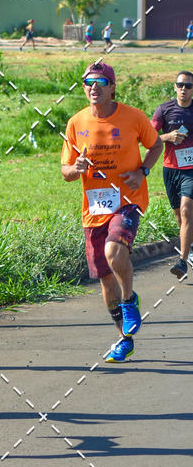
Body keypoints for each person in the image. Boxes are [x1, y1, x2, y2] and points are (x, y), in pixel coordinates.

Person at [61, 63, 162, 363]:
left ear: (113, 86)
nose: (94, 87)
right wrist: (74, 169)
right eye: (87, 82)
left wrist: (142, 171)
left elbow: (155, 146)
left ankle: (130, 300)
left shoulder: (133, 117)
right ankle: (124, 338)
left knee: (114, 252)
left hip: (127, 200)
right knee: (105, 280)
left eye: (101, 81)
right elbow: (65, 171)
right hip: (94, 209)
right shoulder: (75, 123)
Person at [151, 70, 193, 278]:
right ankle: (189, 248)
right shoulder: (164, 110)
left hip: (191, 171)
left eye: (188, 86)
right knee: (180, 217)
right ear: (175, 87)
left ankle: (182, 261)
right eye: (180, 85)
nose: (184, 89)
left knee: (186, 211)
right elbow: (148, 138)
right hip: (170, 169)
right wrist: (167, 136)